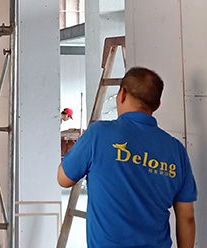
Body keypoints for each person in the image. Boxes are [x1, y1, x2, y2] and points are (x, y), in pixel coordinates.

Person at [58, 67, 197, 248]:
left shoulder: (99, 134)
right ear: (157, 105)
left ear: (122, 94)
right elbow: (187, 217)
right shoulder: (176, 150)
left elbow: (64, 179)